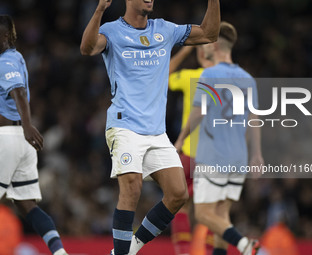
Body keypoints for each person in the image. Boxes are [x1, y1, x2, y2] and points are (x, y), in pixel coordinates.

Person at [80, 0, 220, 254]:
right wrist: (100, 9)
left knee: (178, 194)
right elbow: (87, 48)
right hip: (124, 127)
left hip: (156, 132)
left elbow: (209, 33)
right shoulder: (112, 31)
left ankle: (129, 249)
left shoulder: (165, 29)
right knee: (132, 185)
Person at [175, 22, 264, 255]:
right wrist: (256, 154)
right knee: (222, 216)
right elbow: (254, 120)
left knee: (205, 214)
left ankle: (246, 245)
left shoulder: (210, 74)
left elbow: (199, 112)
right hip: (238, 157)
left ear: (214, 45)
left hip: (213, 154)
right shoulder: (247, 78)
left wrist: (181, 139)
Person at [0, 15, 68, 255]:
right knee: (27, 205)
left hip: (7, 137)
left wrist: (28, 125)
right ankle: (60, 252)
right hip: (21, 141)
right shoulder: (16, 57)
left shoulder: (6, 61)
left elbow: (18, 91)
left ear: (6, 36)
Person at [168, 46, 215, 255]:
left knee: (180, 205)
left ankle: (184, 252)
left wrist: (186, 50)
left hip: (189, 153)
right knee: (212, 210)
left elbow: (164, 74)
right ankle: (209, 251)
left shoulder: (191, 77)